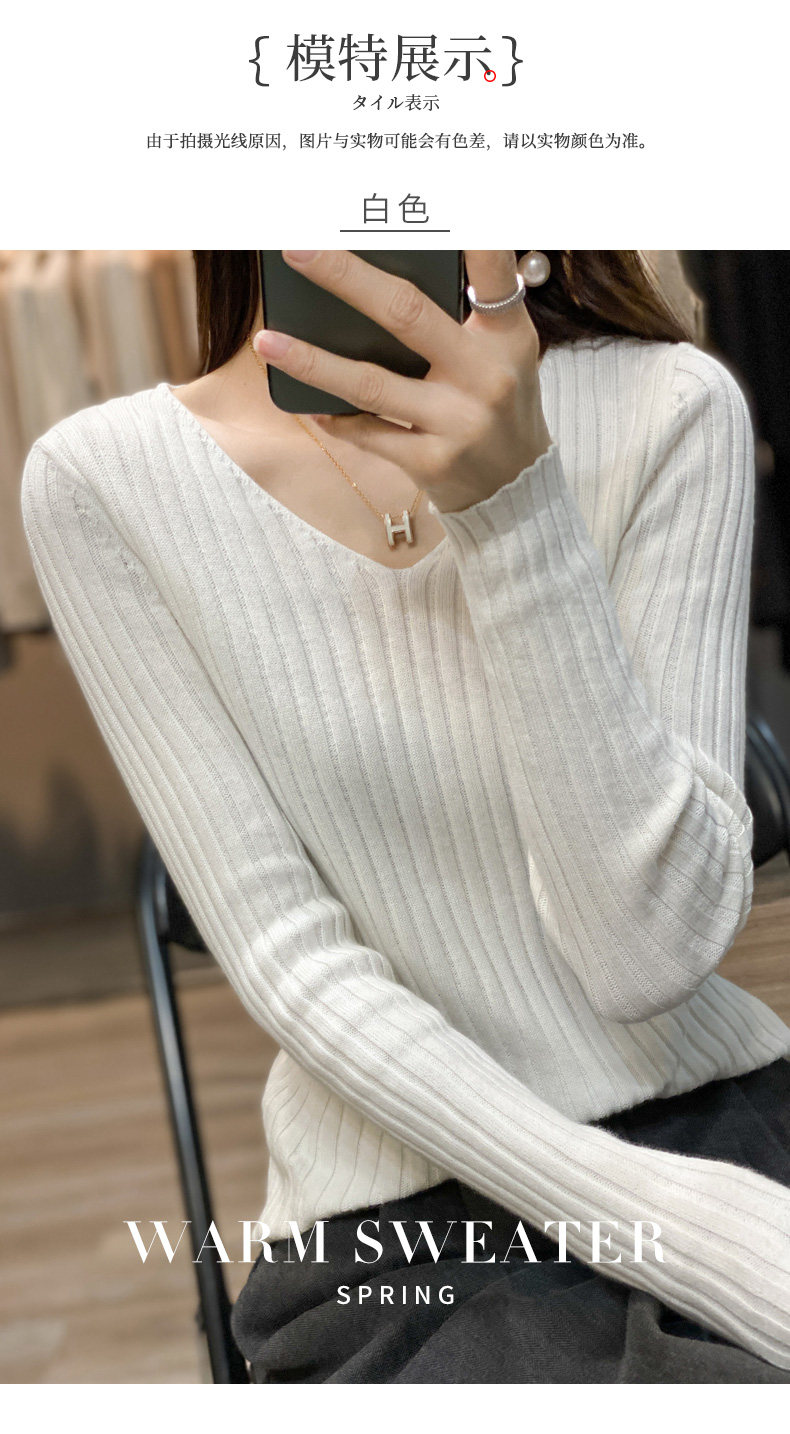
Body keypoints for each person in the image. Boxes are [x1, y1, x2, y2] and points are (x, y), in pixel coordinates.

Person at [20, 250, 790, 1383]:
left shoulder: (670, 407)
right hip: (401, 1223)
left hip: (708, 1125)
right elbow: (292, 961)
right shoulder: (105, 482)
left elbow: (646, 958)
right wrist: (663, 1224)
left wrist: (514, 506)